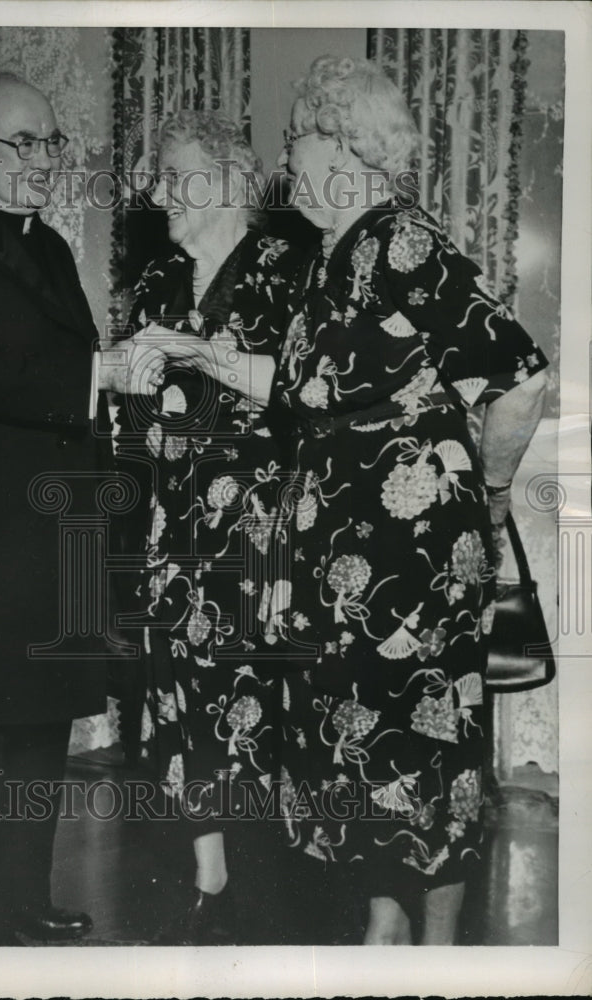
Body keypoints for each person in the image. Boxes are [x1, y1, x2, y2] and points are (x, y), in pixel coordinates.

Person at [138, 55, 549, 944]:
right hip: (340, 573)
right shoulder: (334, 258)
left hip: (410, 563)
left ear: (345, 144)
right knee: (366, 747)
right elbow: (296, 390)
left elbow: (517, 378)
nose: (287, 160)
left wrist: (493, 489)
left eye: (298, 138)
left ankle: (431, 951)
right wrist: (194, 352)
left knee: (426, 746)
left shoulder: (401, 240)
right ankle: (383, 929)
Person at [0, 71, 159, 947]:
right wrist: (102, 373)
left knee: (42, 719)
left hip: (52, 531)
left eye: (52, 142)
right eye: (24, 141)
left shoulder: (45, 247)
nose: (45, 159)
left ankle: (23, 896)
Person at [114, 110, 304, 944]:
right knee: (182, 704)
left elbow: (306, 394)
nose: (158, 194)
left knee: (266, 706)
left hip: (266, 533)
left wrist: (193, 354)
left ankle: (276, 888)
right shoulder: (157, 283)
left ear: (228, 179)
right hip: (175, 532)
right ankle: (209, 878)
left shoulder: (291, 271)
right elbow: (132, 418)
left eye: (173, 175)